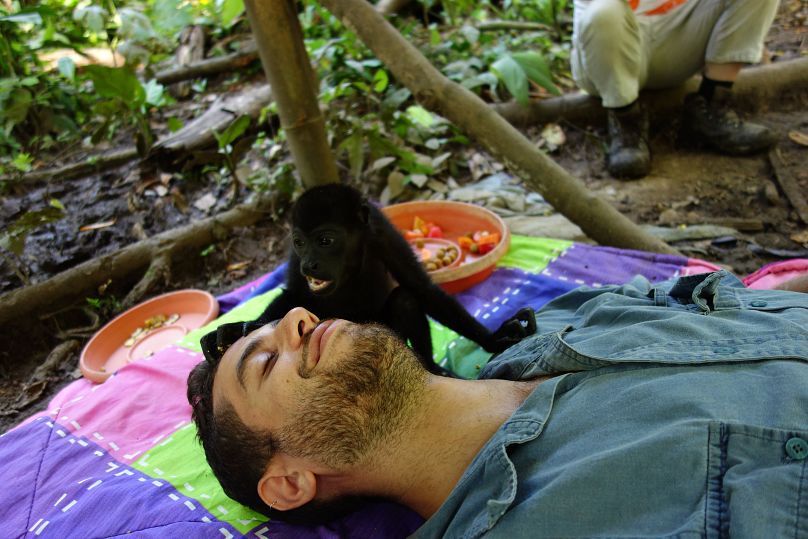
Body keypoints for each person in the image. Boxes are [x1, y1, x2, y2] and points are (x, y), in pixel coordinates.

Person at [188, 270, 808, 537]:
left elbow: (744, 297)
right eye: (266, 363)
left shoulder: (558, 324)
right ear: (290, 482)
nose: (298, 314)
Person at [570, 0, 780, 179]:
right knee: (604, 15)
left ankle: (710, 106)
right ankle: (626, 123)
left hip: (674, 35)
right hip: (605, 51)